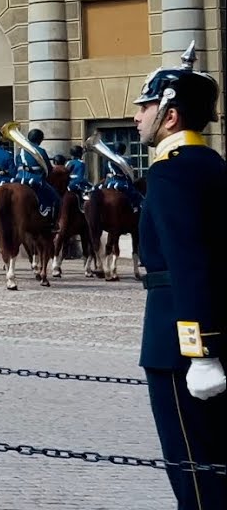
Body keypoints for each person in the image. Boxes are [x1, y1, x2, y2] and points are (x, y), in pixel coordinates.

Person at [131, 41, 225, 509]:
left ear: (170, 116)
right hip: (210, 329)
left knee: (195, 473)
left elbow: (188, 262)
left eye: (144, 107)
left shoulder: (169, 174)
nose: (136, 118)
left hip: (178, 345)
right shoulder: (212, 165)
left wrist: (200, 349)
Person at [13, 127, 60, 220]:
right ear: (39, 139)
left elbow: (16, 166)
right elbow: (48, 169)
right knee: (56, 200)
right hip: (35, 179)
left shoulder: (20, 151)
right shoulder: (40, 151)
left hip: (18, 179)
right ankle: (52, 223)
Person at [96, 141, 144, 213]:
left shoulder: (108, 161)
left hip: (108, 183)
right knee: (136, 196)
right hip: (122, 183)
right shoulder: (126, 160)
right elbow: (131, 173)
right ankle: (135, 209)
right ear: (123, 150)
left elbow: (105, 174)